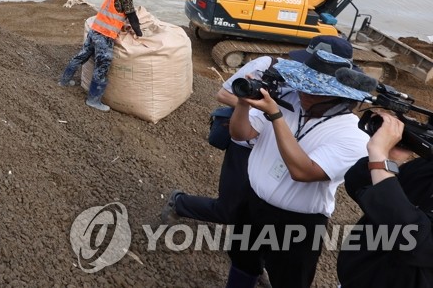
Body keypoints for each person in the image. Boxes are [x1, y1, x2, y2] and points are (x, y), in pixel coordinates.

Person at [162, 36, 358, 226]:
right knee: (230, 208)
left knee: (254, 202)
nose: (305, 87)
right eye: (309, 65)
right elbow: (223, 94)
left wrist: (271, 111)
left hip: (278, 147)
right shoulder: (268, 65)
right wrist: (255, 105)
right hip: (248, 145)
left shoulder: (333, 117)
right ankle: (180, 203)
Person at [226, 48, 370, 288]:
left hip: (298, 222)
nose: (303, 93)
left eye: (313, 91)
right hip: (253, 203)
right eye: (302, 85)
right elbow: (239, 134)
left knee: (290, 281)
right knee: (242, 261)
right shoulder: (288, 99)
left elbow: (303, 171)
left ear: (338, 97)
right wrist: (242, 104)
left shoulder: (354, 136)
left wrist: (275, 115)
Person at [337, 110, 433, 287]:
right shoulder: (425, 167)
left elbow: (414, 240)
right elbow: (357, 185)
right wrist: (391, 159)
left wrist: (379, 159)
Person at [57, 0, 148, 111]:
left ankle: (64, 81)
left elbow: (115, 12)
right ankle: (93, 101)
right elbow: (132, 16)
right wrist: (139, 33)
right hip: (105, 37)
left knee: (81, 57)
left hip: (94, 31)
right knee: (102, 67)